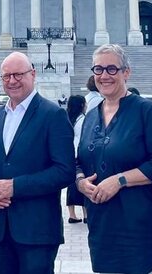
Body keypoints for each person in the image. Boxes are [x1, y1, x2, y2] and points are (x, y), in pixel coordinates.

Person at [75, 44, 152, 274]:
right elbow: (79, 160)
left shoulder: (147, 112)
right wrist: (80, 182)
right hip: (102, 225)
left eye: (111, 69)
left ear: (126, 72)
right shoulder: (90, 116)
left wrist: (119, 180)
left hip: (139, 225)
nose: (104, 75)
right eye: (98, 69)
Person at [0, 51, 75, 274]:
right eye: (7, 76)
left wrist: (14, 187)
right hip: (2, 231)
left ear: (33, 74)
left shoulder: (53, 115)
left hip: (38, 231)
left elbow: (65, 171)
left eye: (18, 74)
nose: (12, 81)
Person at [65, 94, 87, 224]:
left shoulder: (66, 118)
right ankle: (86, 214)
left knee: (70, 184)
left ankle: (72, 214)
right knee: (82, 181)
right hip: (79, 154)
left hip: (69, 154)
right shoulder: (83, 119)